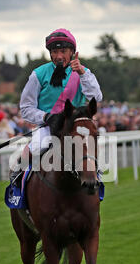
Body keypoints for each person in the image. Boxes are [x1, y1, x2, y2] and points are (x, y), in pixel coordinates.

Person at [10, 28, 103, 185]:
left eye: (63, 51)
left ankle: (96, 184)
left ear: (72, 52)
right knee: (30, 154)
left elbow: (96, 97)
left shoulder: (84, 72)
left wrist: (81, 73)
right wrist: (46, 117)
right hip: (48, 127)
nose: (59, 56)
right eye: (54, 51)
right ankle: (18, 189)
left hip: (76, 127)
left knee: (92, 157)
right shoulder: (38, 74)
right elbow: (25, 108)